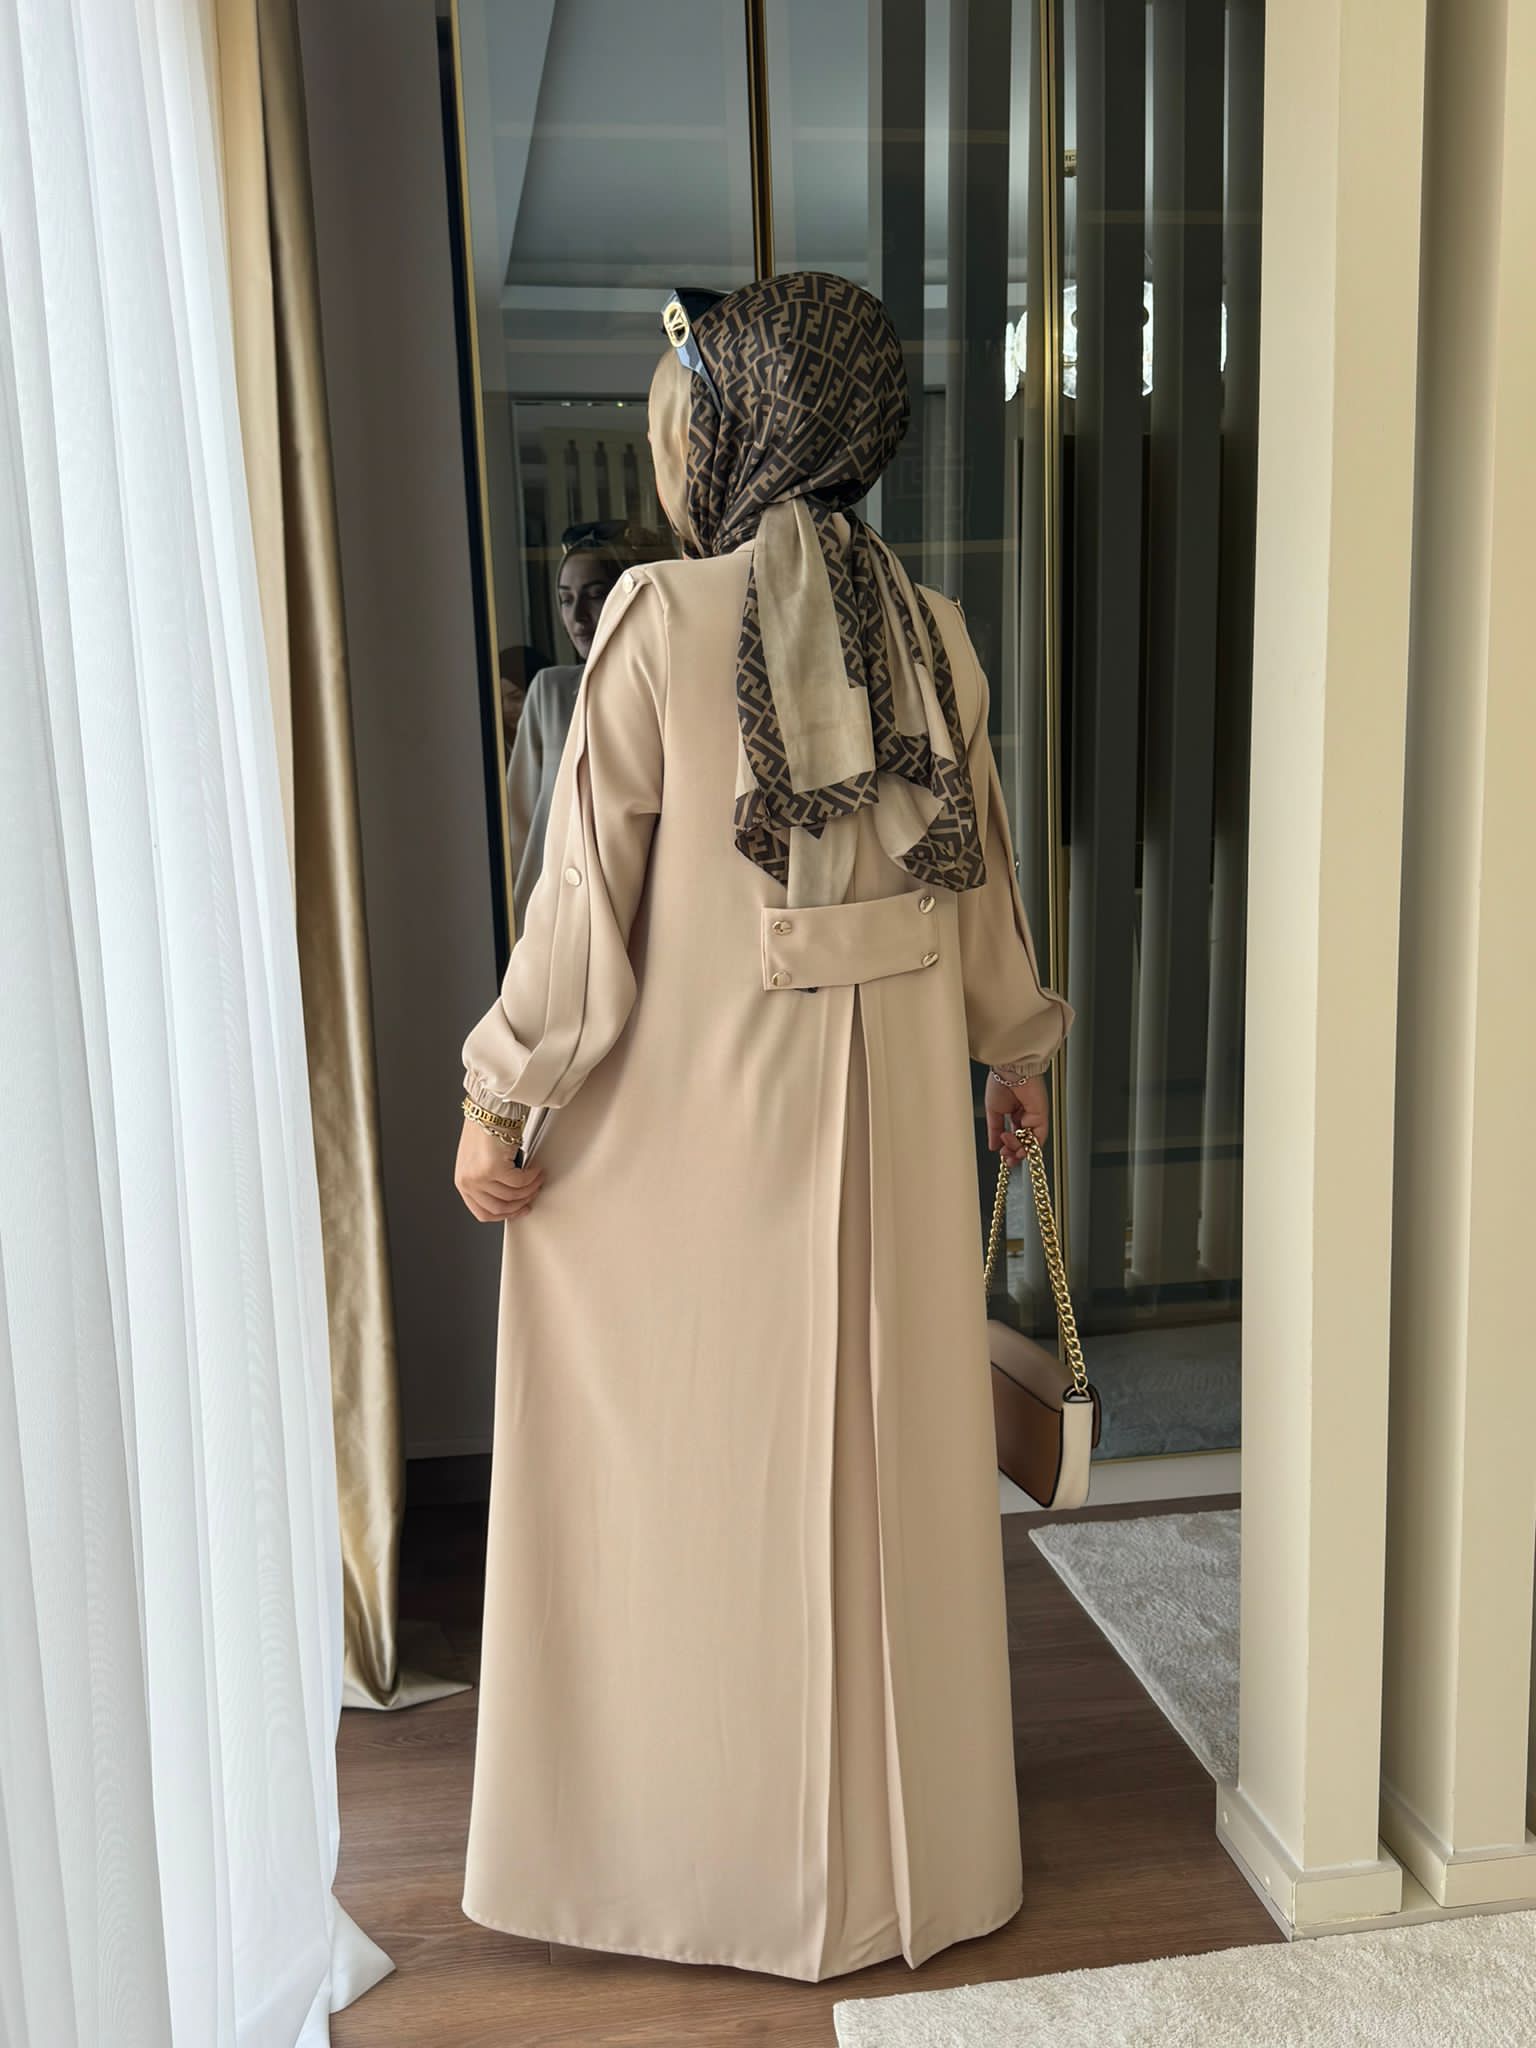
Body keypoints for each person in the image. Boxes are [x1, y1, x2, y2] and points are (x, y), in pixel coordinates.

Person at [453, 271, 1075, 1983]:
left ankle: (697, 1857)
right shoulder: (934, 634)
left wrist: (501, 1092)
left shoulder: (660, 617)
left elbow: (580, 914)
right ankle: (912, 1867)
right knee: (885, 1477)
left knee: (698, 1475)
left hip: (703, 1135)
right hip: (898, 1138)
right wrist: (1013, 1052)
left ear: (738, 428)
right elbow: (982, 887)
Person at [506, 523, 668, 930]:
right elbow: (520, 821)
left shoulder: (663, 694)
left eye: (594, 596)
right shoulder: (550, 692)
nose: (577, 617)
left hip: (644, 909)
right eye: (565, 599)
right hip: (555, 910)